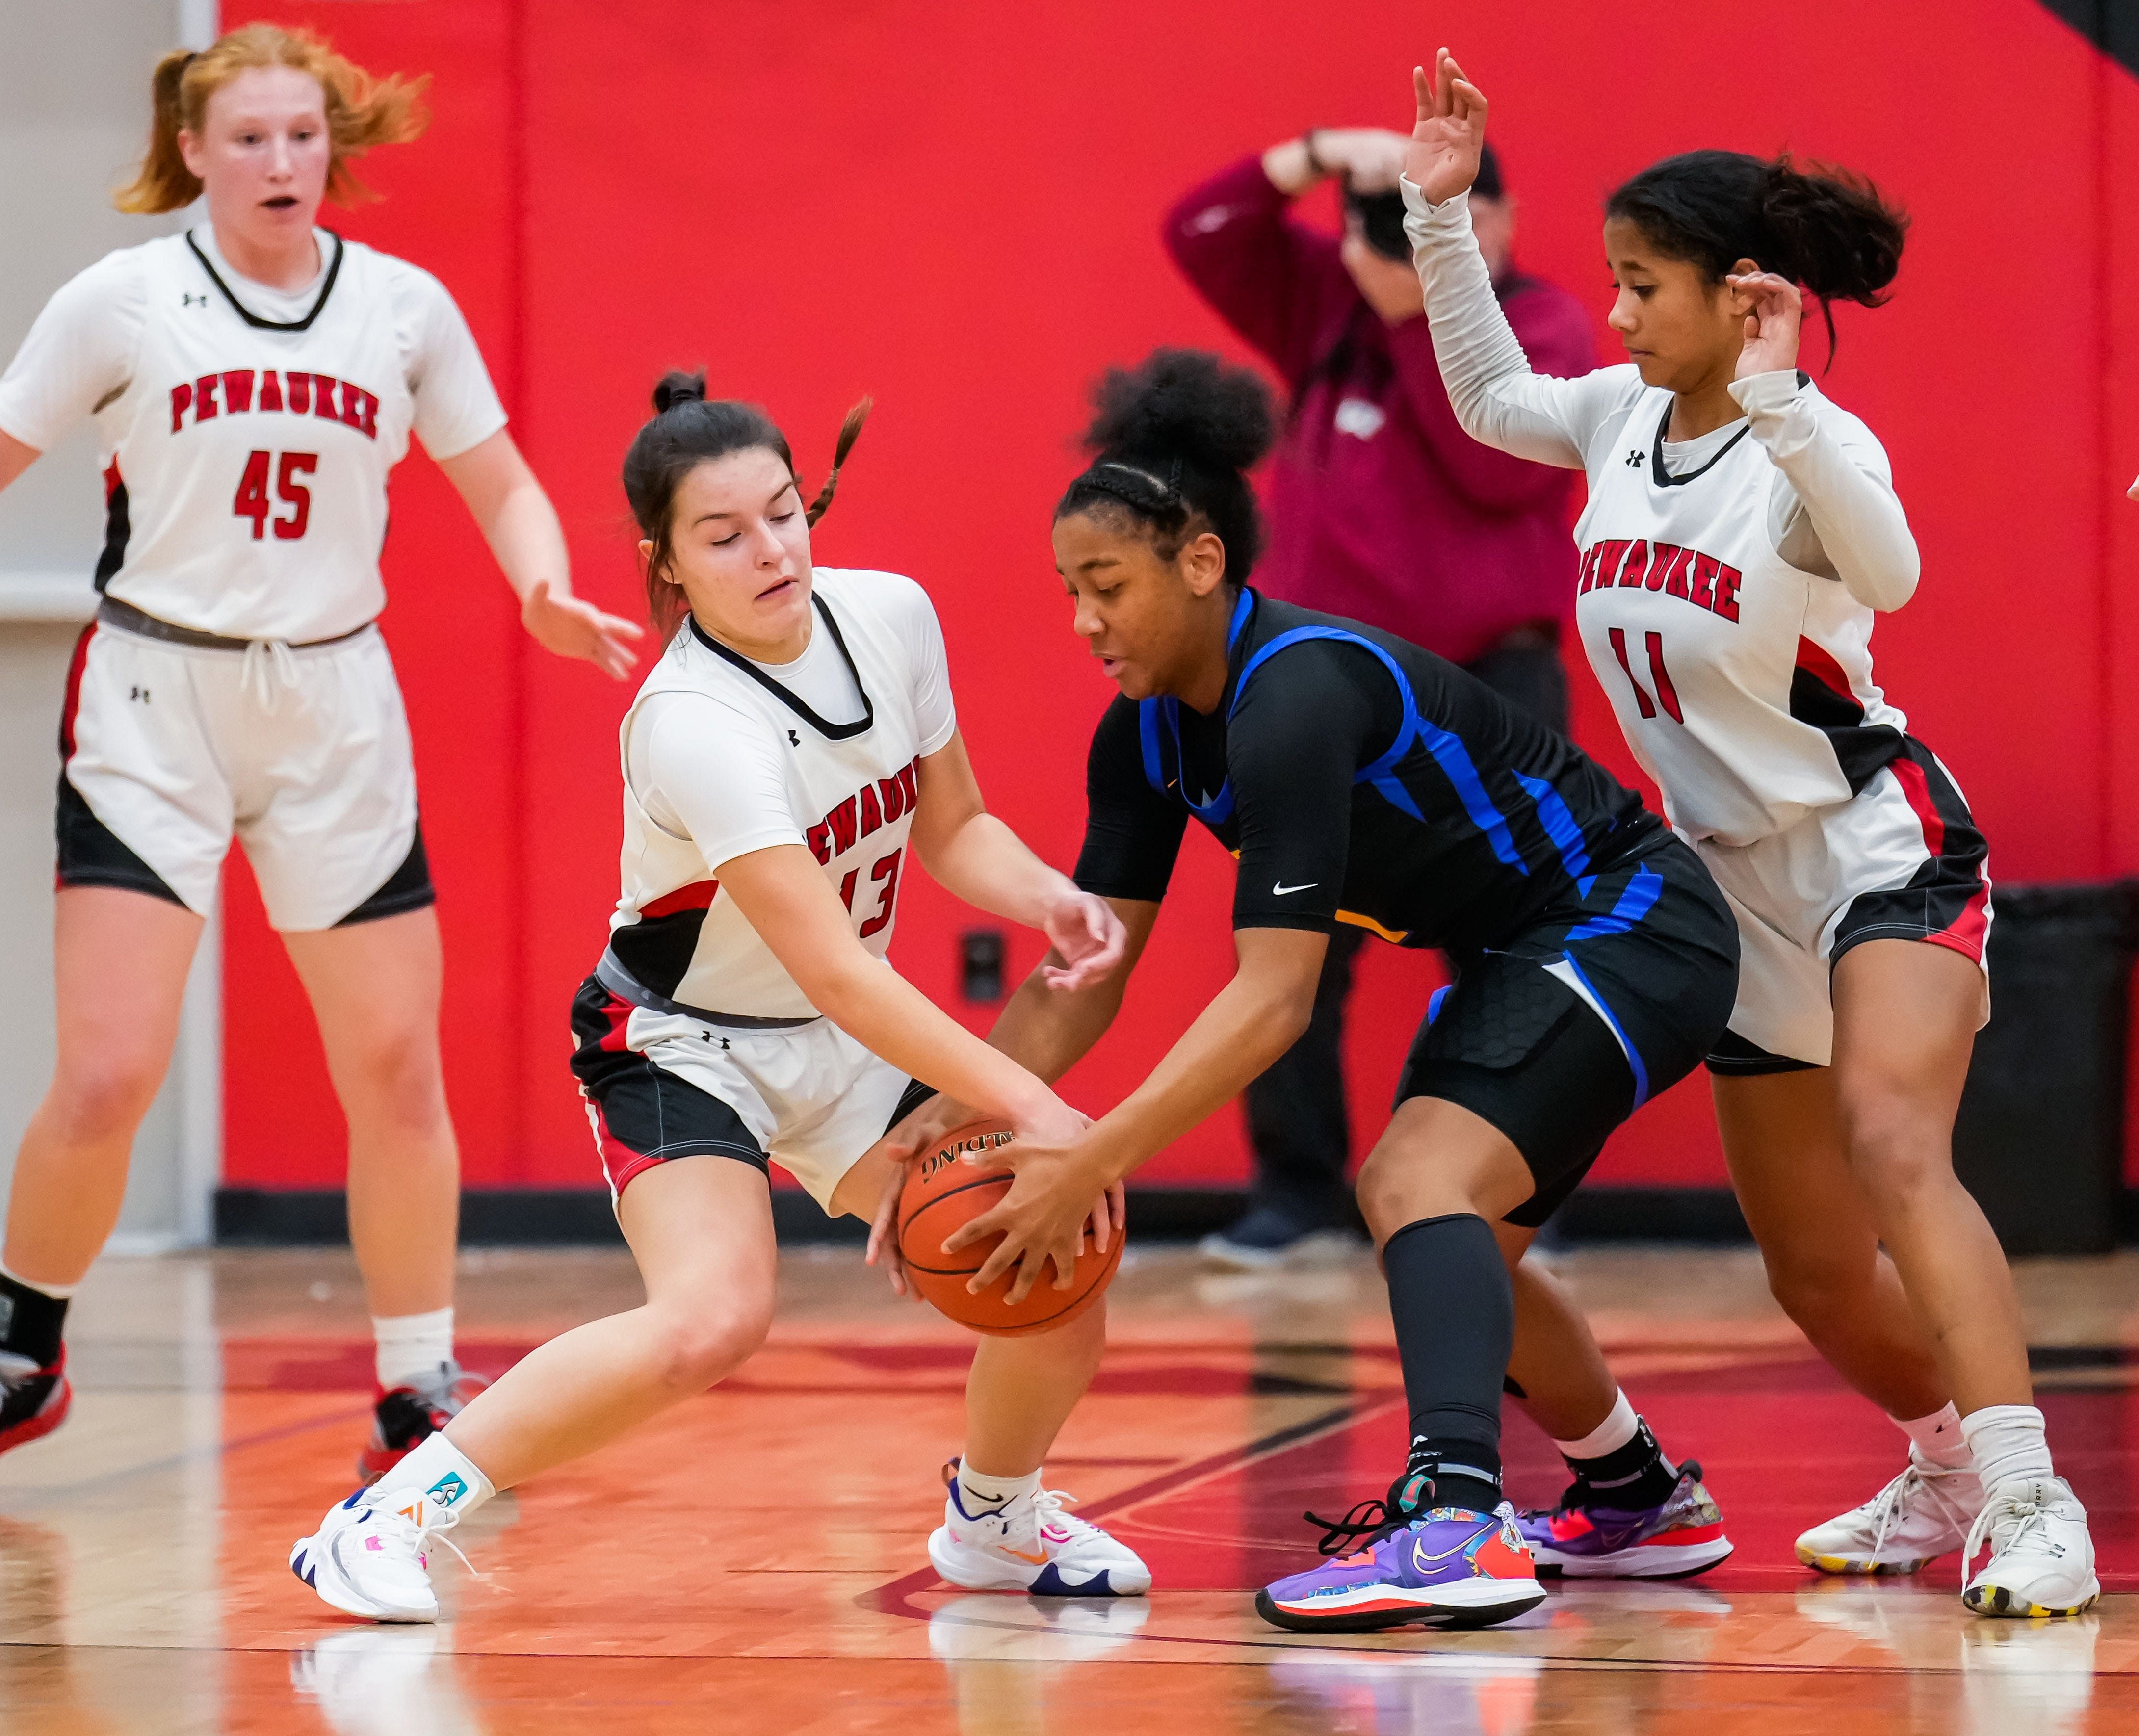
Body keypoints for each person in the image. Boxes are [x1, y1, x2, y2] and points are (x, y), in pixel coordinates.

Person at [877, 348, 1741, 1633]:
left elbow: (1274, 1001)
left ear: (1203, 564)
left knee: (1409, 1183)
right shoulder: (1150, 732)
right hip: (1531, 947)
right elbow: (1084, 974)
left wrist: (1090, 1157)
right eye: (1070, 590)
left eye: (1107, 585)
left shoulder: (1299, 692)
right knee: (1459, 1251)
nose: (1083, 620)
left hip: (1630, 914)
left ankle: (1456, 1526)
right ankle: (1636, 1494)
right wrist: (935, 1124)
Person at [1402, 48, 2096, 1617]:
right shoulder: (1612, 420)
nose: (1623, 313)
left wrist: (1785, 407)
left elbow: (1895, 577)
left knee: (1893, 1141)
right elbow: (1493, 395)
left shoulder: (1812, 446)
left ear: (1743, 296)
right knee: (1810, 1267)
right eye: (1617, 284)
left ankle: (2031, 1499)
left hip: (1872, 840)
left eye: (1646, 285)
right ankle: (1940, 1459)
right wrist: (1442, 221)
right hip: (1723, 887)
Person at [290, 377, 1151, 1623]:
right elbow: (837, 969)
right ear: (668, 566)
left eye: (786, 513)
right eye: (725, 534)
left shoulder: (892, 616)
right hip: (680, 1042)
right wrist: (1033, 1100)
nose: (772, 551)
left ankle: (995, 1519)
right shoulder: (691, 719)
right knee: (711, 1316)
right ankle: (389, 1516)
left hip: (835, 1035)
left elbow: (953, 827)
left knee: (1052, 1253)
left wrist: (1047, 897)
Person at [0, 26, 641, 1480]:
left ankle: (418, 1378)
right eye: (248, 140)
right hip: (155, 694)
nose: (280, 162)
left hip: (335, 703)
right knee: (106, 1071)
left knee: (397, 1063)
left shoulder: (404, 310)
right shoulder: (124, 299)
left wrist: (538, 582)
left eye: (302, 136)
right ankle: (25, 1345)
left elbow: (503, 479)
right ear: (195, 156)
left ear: (332, 148)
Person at [1165, 130, 1597, 1268]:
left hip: (1484, 688)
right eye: (1383, 217)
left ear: (1493, 222)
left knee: (1514, 941)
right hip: (1319, 690)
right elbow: (1198, 233)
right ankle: (1297, 1197)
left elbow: (1502, 469)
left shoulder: (1543, 330)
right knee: (1287, 936)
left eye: (1428, 216)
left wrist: (1419, 312)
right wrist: (1307, 156)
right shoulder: (1325, 309)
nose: (1389, 240)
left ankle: (1518, 1194)